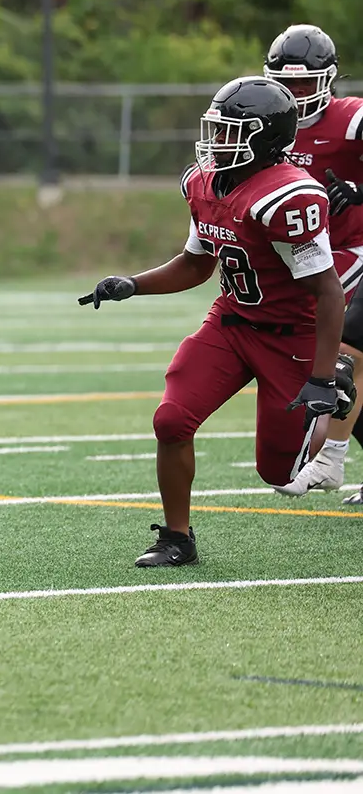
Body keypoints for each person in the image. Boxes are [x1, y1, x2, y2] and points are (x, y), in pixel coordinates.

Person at [79, 76, 350, 567]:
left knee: (279, 474)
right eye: (216, 128)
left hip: (291, 338)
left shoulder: (289, 197)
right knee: (171, 420)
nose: (216, 141)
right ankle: (177, 539)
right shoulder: (203, 182)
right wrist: (134, 284)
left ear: (265, 140)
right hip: (232, 321)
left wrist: (322, 376)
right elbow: (197, 264)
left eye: (231, 131)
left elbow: (328, 292)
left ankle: (337, 395)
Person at [261, 24, 363, 496]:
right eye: (290, 84)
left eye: (307, 83)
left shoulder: (350, 118)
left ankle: (328, 458)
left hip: (352, 251)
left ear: (329, 78)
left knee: (342, 359)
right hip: (304, 258)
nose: (298, 94)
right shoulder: (262, 118)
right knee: (337, 364)